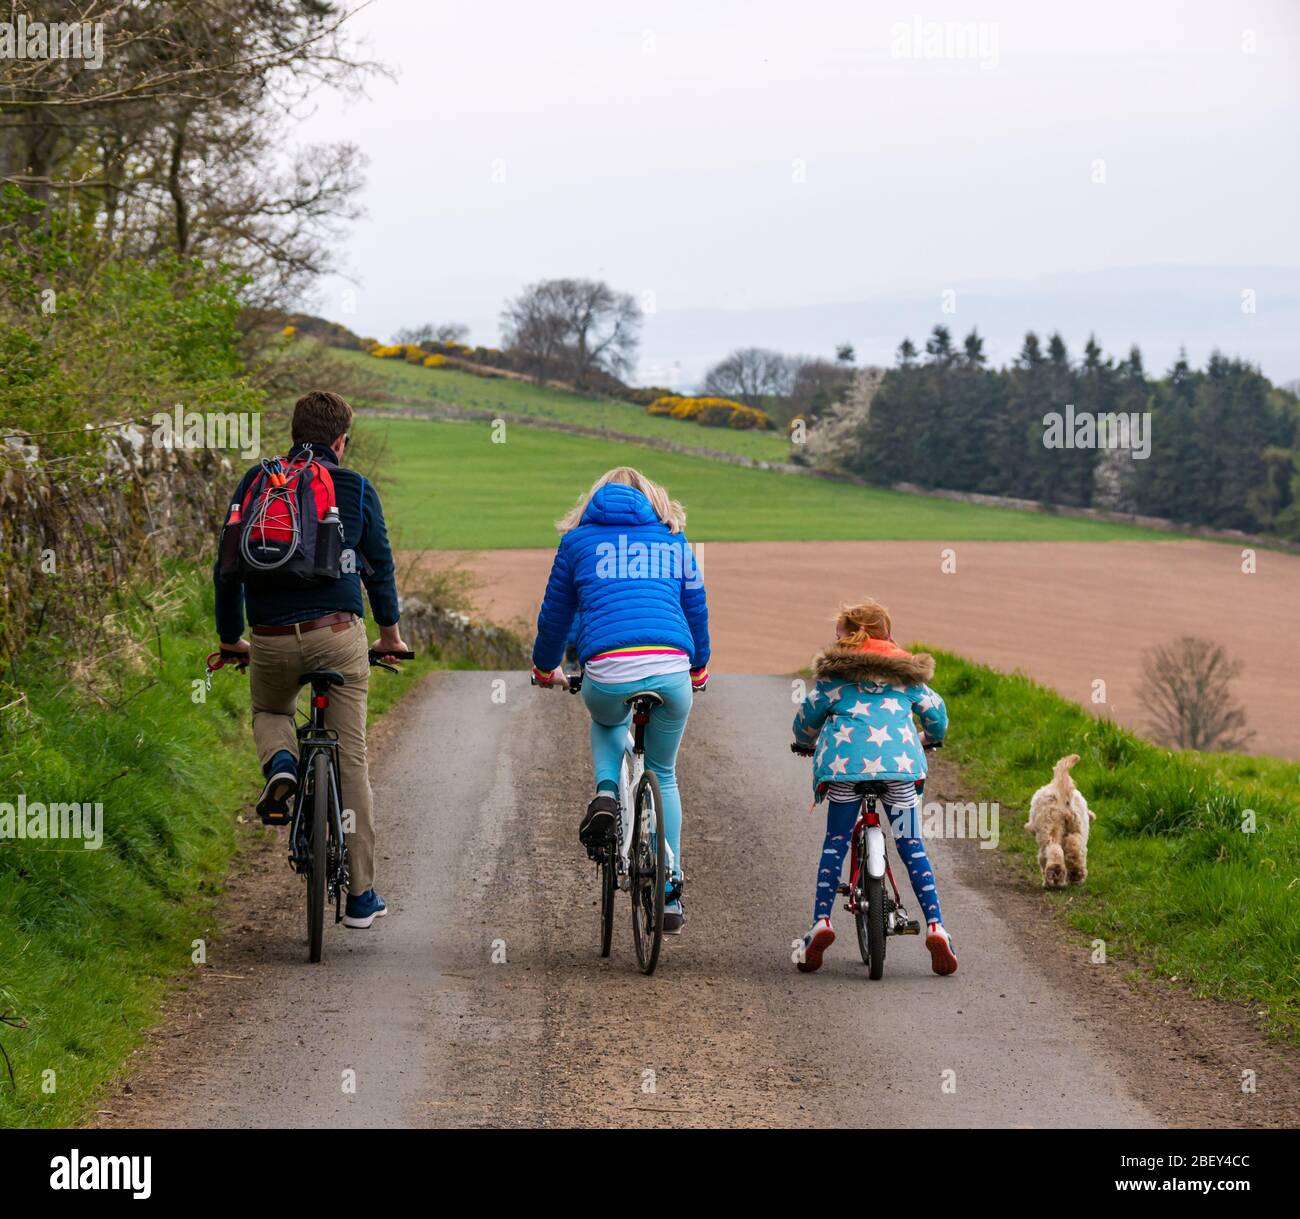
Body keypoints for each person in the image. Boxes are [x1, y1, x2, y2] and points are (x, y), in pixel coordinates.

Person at [213, 390, 409, 929]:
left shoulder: (259, 482)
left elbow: (227, 569)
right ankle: (361, 897)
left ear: (292, 430)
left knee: (272, 712)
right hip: (338, 636)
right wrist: (389, 634)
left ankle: (281, 767)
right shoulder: (356, 488)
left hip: (272, 637)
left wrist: (232, 638)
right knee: (351, 758)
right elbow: (380, 569)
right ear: (341, 441)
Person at [531, 467, 709, 934]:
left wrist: (543, 666)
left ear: (592, 501)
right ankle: (670, 891)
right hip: (672, 669)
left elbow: (556, 614)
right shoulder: (674, 539)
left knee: (608, 721)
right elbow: (695, 605)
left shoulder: (576, 543)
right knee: (664, 772)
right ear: (653, 500)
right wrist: (699, 666)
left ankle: (607, 794)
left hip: (607, 669)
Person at [791, 597, 957, 975]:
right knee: (911, 844)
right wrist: (931, 738)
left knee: (835, 842)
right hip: (899, 770)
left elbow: (805, 720)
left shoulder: (834, 678)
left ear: (850, 637)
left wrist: (804, 742)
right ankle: (936, 927)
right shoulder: (907, 676)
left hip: (846, 772)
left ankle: (821, 922)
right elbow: (937, 715)